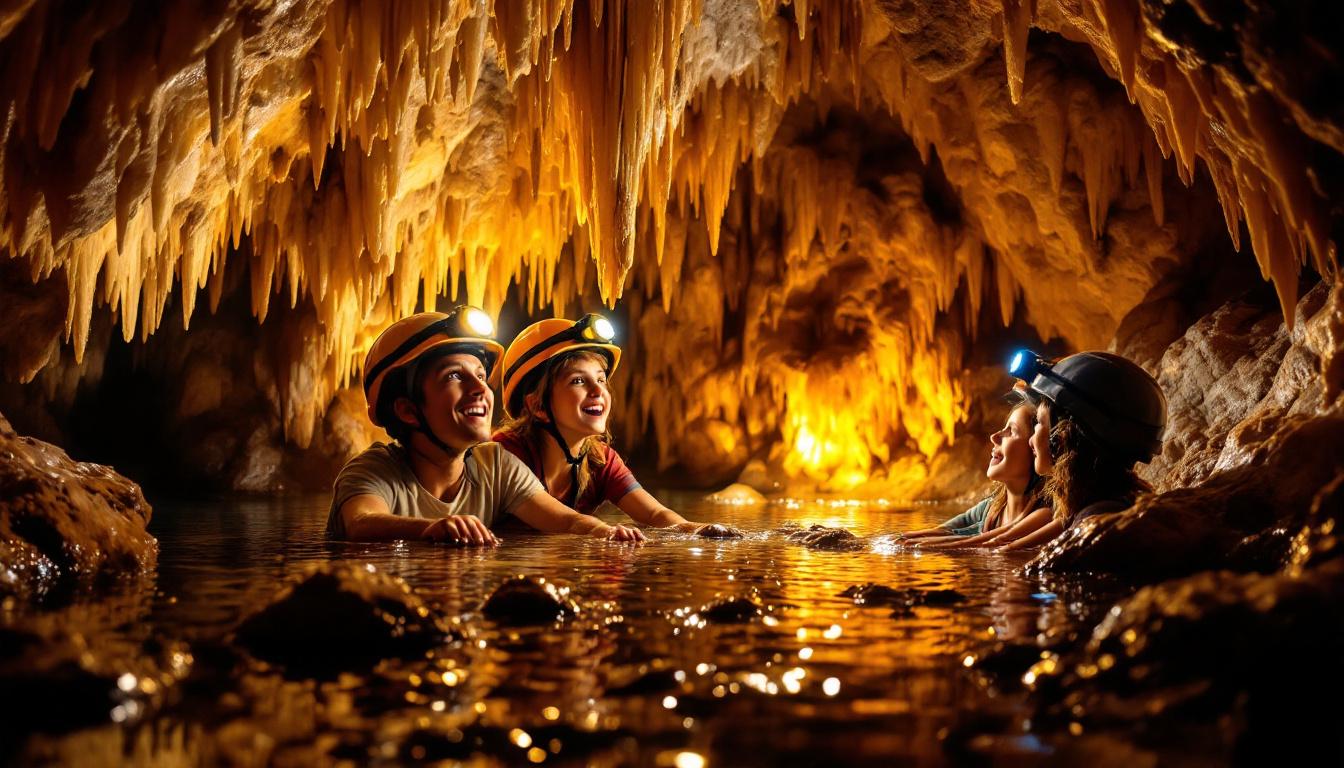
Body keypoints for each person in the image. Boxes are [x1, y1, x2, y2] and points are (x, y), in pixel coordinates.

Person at [326, 306, 645, 544]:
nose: (480, 389)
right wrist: (430, 528)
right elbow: (361, 522)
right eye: (454, 376)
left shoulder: (495, 466)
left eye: (480, 375)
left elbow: (568, 521)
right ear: (408, 410)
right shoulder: (372, 470)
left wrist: (609, 534)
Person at [494, 313, 739, 538]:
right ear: (538, 406)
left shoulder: (600, 460)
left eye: (601, 379)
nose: (598, 390)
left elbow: (656, 515)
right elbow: (568, 522)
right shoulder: (502, 455)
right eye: (578, 381)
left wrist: (701, 530)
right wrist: (605, 532)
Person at [794, 389, 1051, 550]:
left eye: (1011, 431)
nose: (995, 436)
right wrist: (862, 540)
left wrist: (884, 547)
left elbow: (979, 544)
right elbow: (943, 532)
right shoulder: (991, 509)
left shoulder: (1045, 512)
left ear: (1035, 447)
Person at [1007, 349, 1167, 536]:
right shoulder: (1117, 505)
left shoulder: (1097, 521)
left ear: (1061, 436)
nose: (1031, 439)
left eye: (1039, 423)